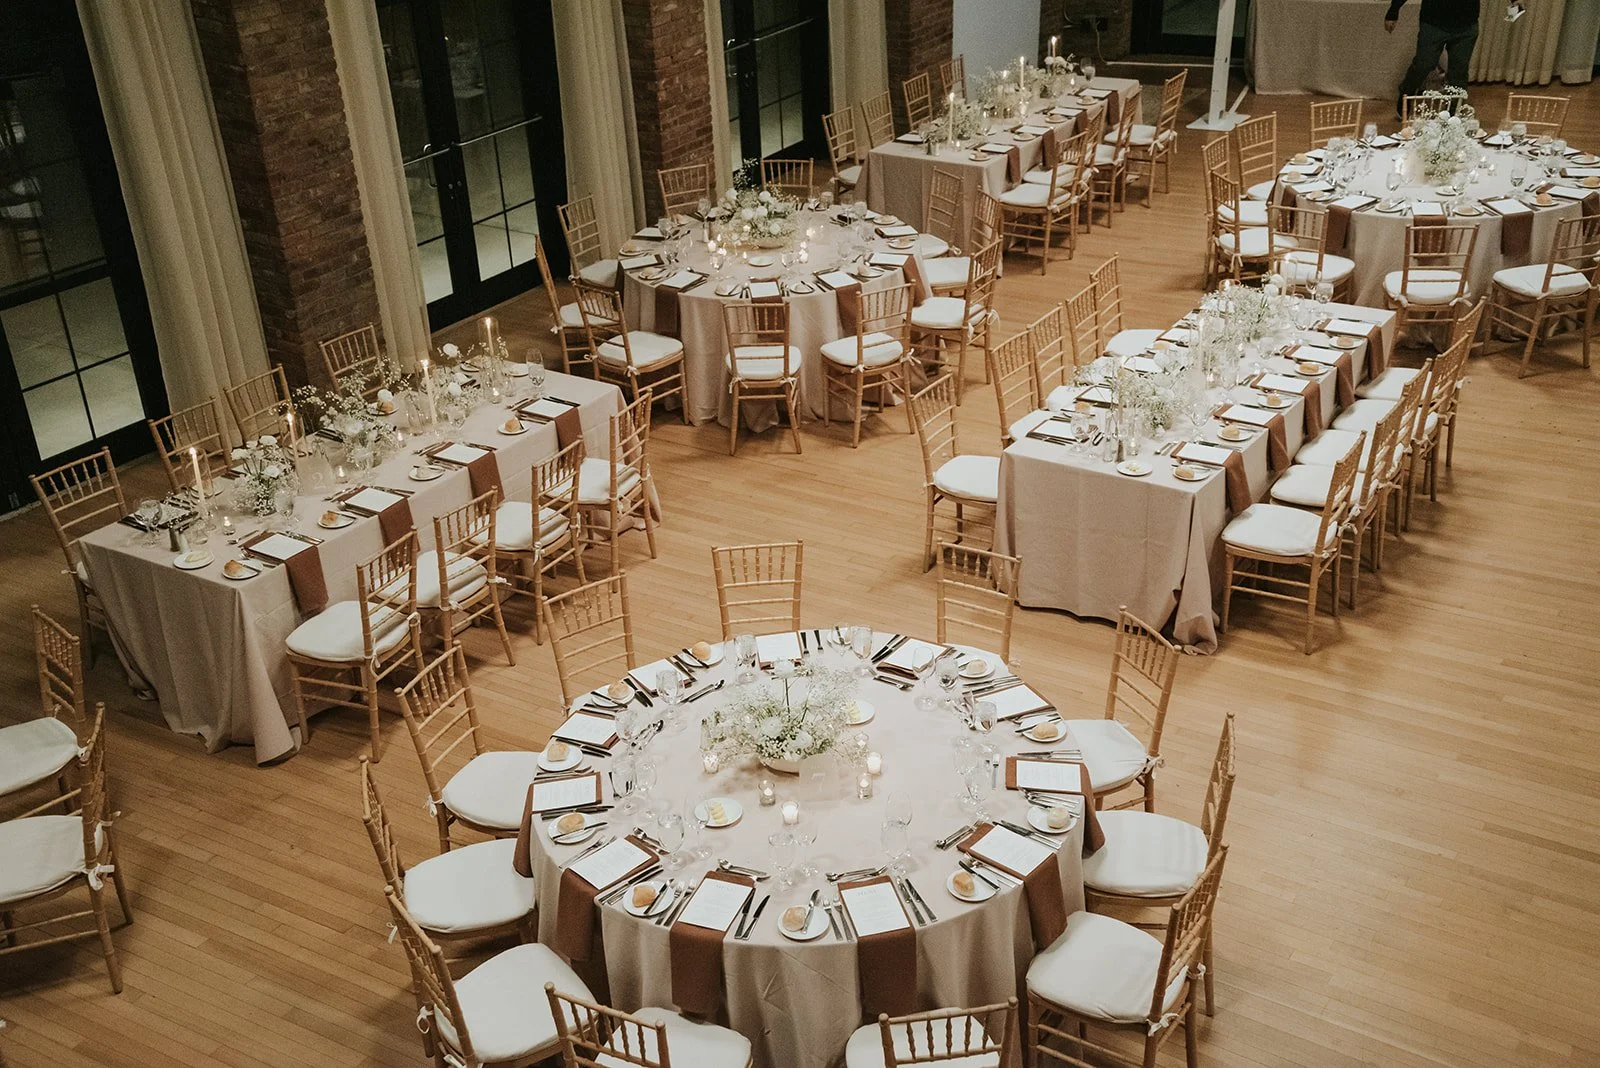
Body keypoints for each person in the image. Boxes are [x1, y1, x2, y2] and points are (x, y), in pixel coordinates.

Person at [1384, 0, 1486, 117]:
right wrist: (1393, 11)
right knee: (1423, 65)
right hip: (1433, 22)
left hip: (1467, 24)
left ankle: (1453, 111)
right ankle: (1406, 92)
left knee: (1459, 71)